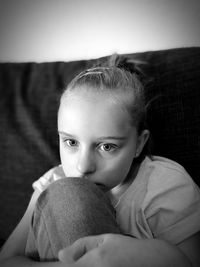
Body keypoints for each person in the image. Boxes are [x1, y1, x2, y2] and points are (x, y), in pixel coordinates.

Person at [0, 54, 200, 267]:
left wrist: (132, 253)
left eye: (107, 146)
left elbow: (191, 262)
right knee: (66, 191)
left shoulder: (164, 187)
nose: (83, 166)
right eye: (71, 143)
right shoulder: (51, 183)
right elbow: (6, 259)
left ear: (139, 144)